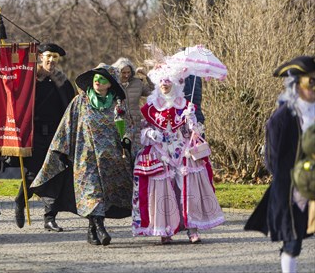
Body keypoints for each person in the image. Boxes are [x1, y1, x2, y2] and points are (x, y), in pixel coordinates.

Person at [31, 63, 133, 246]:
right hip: (85, 158)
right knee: (91, 192)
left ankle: (92, 229)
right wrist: (60, 150)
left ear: (110, 84)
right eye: (95, 79)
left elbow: (128, 127)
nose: (97, 82)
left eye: (102, 79)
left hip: (111, 160)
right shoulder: (80, 101)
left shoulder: (118, 105)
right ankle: (101, 229)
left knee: (103, 195)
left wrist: (127, 141)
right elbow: (66, 125)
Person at [131, 62, 224, 245]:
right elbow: (142, 130)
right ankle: (166, 230)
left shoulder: (184, 105)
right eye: (162, 82)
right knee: (164, 188)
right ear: (158, 84)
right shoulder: (151, 107)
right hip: (160, 150)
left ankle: (192, 229)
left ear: (174, 83)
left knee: (188, 188)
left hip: (182, 151)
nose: (165, 84)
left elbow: (193, 131)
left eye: (168, 81)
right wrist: (150, 133)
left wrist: (191, 120)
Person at [245, 55, 315, 273]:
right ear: (297, 85)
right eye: (310, 83)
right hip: (293, 187)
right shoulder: (283, 117)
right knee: (293, 240)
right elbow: (273, 158)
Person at [13, 43, 76, 232]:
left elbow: (69, 107)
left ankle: (49, 218)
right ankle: (20, 200)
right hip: (35, 135)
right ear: (40, 57)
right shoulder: (29, 79)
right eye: (48, 56)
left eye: (55, 57)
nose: (51, 60)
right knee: (34, 174)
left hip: (57, 135)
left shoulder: (62, 82)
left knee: (55, 174)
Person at [112, 57, 154, 157]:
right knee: (121, 151)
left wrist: (147, 76)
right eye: (123, 73)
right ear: (118, 72)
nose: (126, 75)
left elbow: (153, 91)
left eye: (128, 72)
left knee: (136, 151)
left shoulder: (137, 83)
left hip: (135, 123)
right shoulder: (113, 84)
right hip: (119, 123)